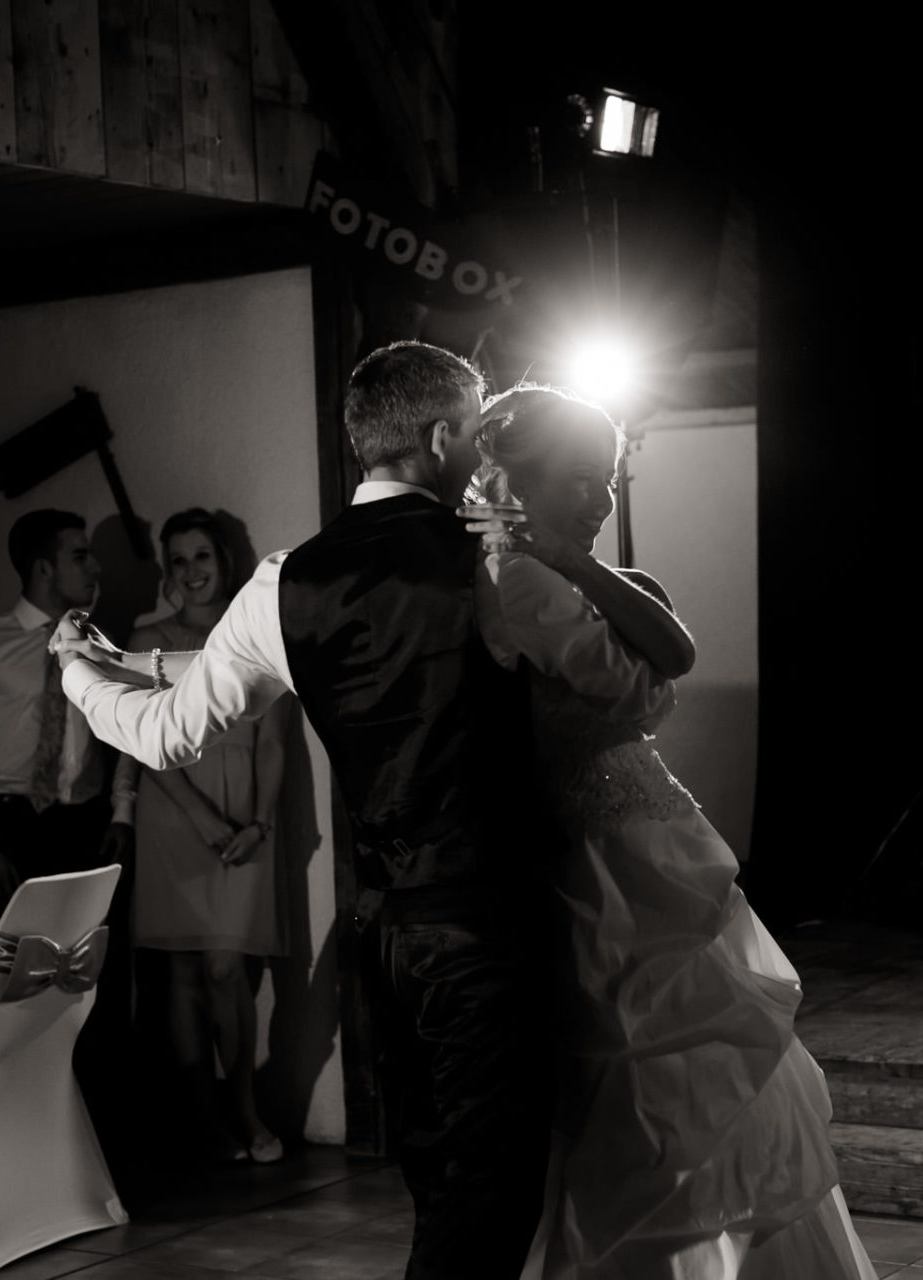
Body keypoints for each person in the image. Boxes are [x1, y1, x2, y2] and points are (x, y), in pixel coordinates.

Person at [52, 342, 562, 1279]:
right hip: (491, 921)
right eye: (476, 427)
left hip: (384, 929)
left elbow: (173, 728)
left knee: (439, 1178)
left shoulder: (284, 582)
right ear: (444, 436)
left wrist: (83, 675)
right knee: (493, 1191)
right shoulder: (497, 561)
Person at [465, 385, 876, 1280]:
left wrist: (576, 563)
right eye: (578, 480)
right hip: (605, 859)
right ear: (516, 478)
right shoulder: (514, 577)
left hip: (648, 839)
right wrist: (573, 580)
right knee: (655, 1082)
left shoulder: (547, 565)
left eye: (607, 482)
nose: (599, 502)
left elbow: (674, 656)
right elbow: (635, 682)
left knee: (709, 1075)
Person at [113, 507, 291, 1162]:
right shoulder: (146, 637)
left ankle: (243, 1108)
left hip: (245, 821)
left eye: (202, 557)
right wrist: (199, 816)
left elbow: (274, 743)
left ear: (224, 563)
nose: (192, 571)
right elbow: (140, 738)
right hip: (174, 815)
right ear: (167, 572)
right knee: (184, 975)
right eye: (179, 560)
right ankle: (204, 1119)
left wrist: (260, 821)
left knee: (226, 970)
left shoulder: (255, 635)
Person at [0, 508, 132, 922]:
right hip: (14, 828)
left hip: (87, 828)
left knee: (94, 965)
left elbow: (126, 729)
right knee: (21, 967)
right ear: (44, 568)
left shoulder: (99, 645)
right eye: (80, 557)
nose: (95, 567)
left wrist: (121, 812)